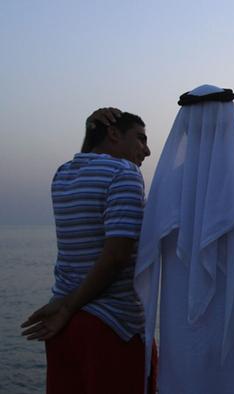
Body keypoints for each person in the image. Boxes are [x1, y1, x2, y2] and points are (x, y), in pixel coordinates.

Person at [134, 85, 234, 394]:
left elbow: (144, 261)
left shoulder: (165, 190)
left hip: (186, 340)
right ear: (232, 126)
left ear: (186, 131)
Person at [21, 108, 152, 394]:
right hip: (113, 324)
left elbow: (90, 157)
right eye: (140, 139)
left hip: (63, 326)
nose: (147, 150)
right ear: (114, 134)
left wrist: (91, 130)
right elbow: (116, 256)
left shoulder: (64, 174)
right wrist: (69, 307)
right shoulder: (124, 173)